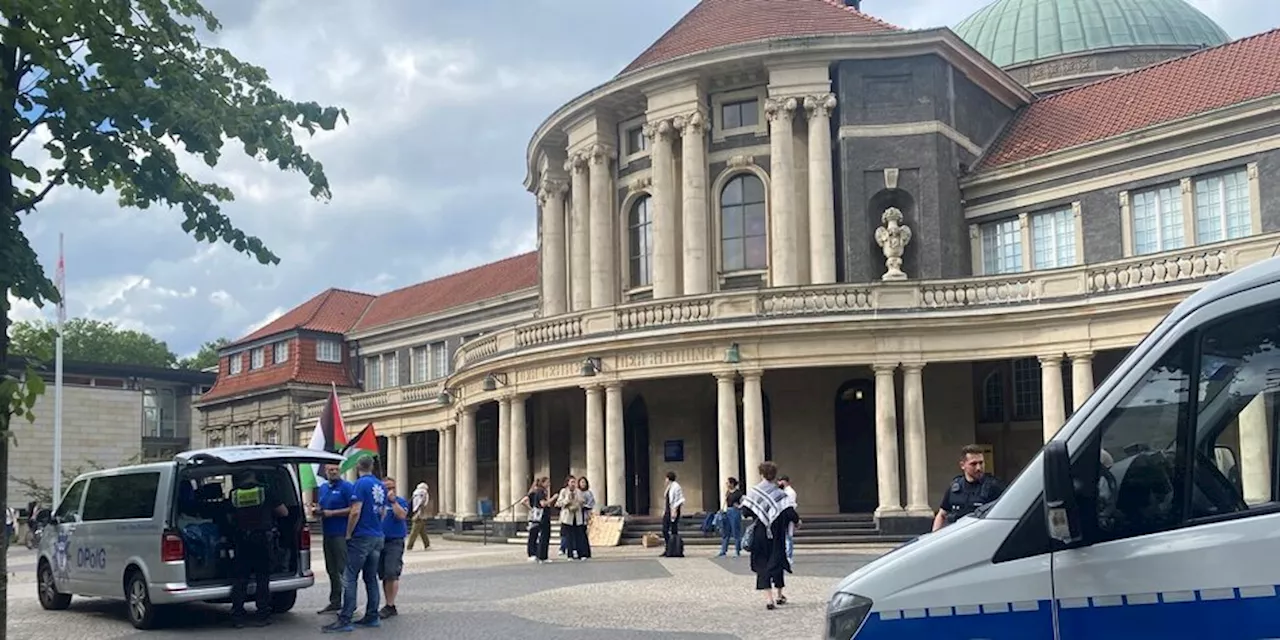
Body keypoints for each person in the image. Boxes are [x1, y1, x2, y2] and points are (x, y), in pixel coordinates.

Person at [322, 456, 386, 633]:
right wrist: (377, 527)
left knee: (349, 577)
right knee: (371, 578)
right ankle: (372, 616)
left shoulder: (360, 484)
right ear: (372, 466)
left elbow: (355, 510)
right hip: (377, 535)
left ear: (358, 467)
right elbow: (382, 512)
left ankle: (345, 618)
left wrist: (349, 533)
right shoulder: (380, 484)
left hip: (362, 536)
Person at [228, 469, 288, 628]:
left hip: (241, 540)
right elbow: (283, 512)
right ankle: (262, 615)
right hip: (262, 539)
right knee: (262, 578)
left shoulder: (234, 494)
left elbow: (229, 516)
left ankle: (237, 616)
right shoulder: (265, 491)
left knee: (240, 579)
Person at [741, 461, 800, 610]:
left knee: (762, 562)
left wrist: (759, 511)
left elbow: (746, 512)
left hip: (761, 532)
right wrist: (797, 521)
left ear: (761, 474)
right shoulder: (780, 494)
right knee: (777, 560)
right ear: (774, 475)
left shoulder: (754, 492)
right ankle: (779, 595)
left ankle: (769, 599)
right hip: (777, 532)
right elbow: (789, 512)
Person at [933, 444, 1005, 532]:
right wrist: (934, 535)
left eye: (981, 463)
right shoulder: (955, 488)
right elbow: (942, 514)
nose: (978, 468)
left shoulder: (994, 487)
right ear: (963, 465)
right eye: (973, 464)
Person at [313, 464, 353, 614]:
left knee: (343, 569)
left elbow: (353, 508)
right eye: (331, 470)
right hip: (327, 533)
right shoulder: (323, 488)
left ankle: (349, 603)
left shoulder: (347, 487)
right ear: (326, 472)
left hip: (341, 533)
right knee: (331, 569)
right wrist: (317, 511)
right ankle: (335, 601)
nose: (334, 472)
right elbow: (322, 507)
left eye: (336, 469)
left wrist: (332, 513)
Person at [378, 477, 409, 618]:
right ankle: (387, 603)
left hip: (394, 541)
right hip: (379, 541)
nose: (389, 491)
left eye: (392, 488)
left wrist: (393, 502)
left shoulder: (400, 501)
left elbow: (402, 515)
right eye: (386, 488)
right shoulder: (378, 503)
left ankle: (391, 604)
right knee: (384, 574)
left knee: (392, 572)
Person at [555, 474, 586, 561]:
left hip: (577, 515)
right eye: (572, 482)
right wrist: (567, 500)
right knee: (568, 536)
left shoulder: (578, 491)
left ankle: (581, 554)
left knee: (579, 535)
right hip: (568, 516)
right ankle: (570, 554)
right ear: (568, 483)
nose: (573, 484)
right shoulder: (564, 491)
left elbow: (582, 501)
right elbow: (559, 503)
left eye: (574, 482)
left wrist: (580, 501)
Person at [522, 477, 552, 563]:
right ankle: (536, 554)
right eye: (547, 482)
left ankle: (537, 554)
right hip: (538, 515)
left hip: (537, 515)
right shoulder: (537, 492)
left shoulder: (540, 492)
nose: (549, 484)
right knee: (535, 534)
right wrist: (531, 509)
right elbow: (542, 504)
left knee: (536, 535)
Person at [718, 477, 744, 558]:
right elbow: (726, 502)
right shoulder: (728, 492)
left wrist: (739, 506)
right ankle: (723, 551)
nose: (727, 484)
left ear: (732, 484)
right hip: (728, 511)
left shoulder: (738, 493)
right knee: (726, 532)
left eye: (728, 483)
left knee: (736, 531)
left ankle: (737, 551)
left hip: (735, 512)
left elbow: (744, 501)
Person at [661, 471, 685, 556]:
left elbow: (679, 500)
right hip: (667, 511)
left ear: (668, 478)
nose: (665, 480)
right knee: (664, 530)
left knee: (674, 530)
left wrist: (674, 510)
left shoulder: (676, 487)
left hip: (673, 511)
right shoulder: (669, 487)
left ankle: (674, 549)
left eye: (666, 478)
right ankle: (669, 547)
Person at [778, 476, 797, 563]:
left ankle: (789, 555)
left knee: (788, 536)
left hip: (788, 516)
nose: (779, 483)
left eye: (780, 481)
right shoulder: (782, 491)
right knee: (784, 536)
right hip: (782, 515)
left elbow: (791, 505)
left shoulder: (790, 492)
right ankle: (784, 554)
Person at [576, 477, 595, 560]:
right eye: (581, 482)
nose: (583, 484)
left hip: (585, 514)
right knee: (578, 534)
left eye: (584, 482)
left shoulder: (588, 493)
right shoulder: (577, 492)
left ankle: (585, 552)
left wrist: (584, 506)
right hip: (577, 515)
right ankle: (579, 552)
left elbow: (591, 503)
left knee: (583, 534)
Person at [407, 482, 431, 550]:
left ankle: (427, 545)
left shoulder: (415, 492)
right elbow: (421, 503)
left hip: (416, 512)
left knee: (422, 531)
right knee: (414, 531)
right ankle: (409, 545)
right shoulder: (423, 492)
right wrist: (418, 512)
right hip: (419, 514)